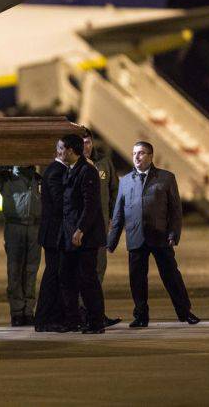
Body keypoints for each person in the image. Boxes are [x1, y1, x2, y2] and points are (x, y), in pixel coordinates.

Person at [107, 141, 200, 328]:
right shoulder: (124, 181)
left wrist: (173, 233)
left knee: (171, 276)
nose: (136, 157)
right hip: (135, 237)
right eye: (134, 153)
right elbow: (118, 214)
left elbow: (175, 210)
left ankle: (185, 312)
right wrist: (111, 242)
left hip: (160, 236)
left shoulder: (166, 178)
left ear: (151, 156)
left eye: (141, 153)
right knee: (137, 279)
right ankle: (141, 316)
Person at [58, 134, 106, 334]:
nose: (59, 152)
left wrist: (81, 229)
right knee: (69, 278)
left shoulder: (87, 171)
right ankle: (76, 319)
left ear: (70, 150)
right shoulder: (71, 170)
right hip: (72, 235)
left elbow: (91, 204)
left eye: (61, 149)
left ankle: (96, 322)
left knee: (88, 279)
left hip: (84, 237)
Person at [0, 165, 42, 326]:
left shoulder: (37, 179)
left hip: (34, 228)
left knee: (31, 270)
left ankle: (28, 310)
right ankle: (17, 311)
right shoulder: (7, 178)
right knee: (15, 270)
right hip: (14, 226)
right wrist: (4, 163)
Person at [82, 129, 121, 328]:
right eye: (81, 142)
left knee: (99, 269)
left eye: (88, 141)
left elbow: (115, 189)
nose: (85, 146)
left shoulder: (104, 163)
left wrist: (113, 215)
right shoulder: (72, 166)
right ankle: (82, 313)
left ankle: (95, 312)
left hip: (100, 228)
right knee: (81, 272)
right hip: (80, 229)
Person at [34, 140, 68, 332]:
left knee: (56, 275)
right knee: (53, 276)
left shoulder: (57, 169)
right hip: (54, 234)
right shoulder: (56, 171)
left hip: (55, 232)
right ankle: (46, 319)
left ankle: (53, 317)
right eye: (61, 149)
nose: (63, 152)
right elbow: (60, 202)